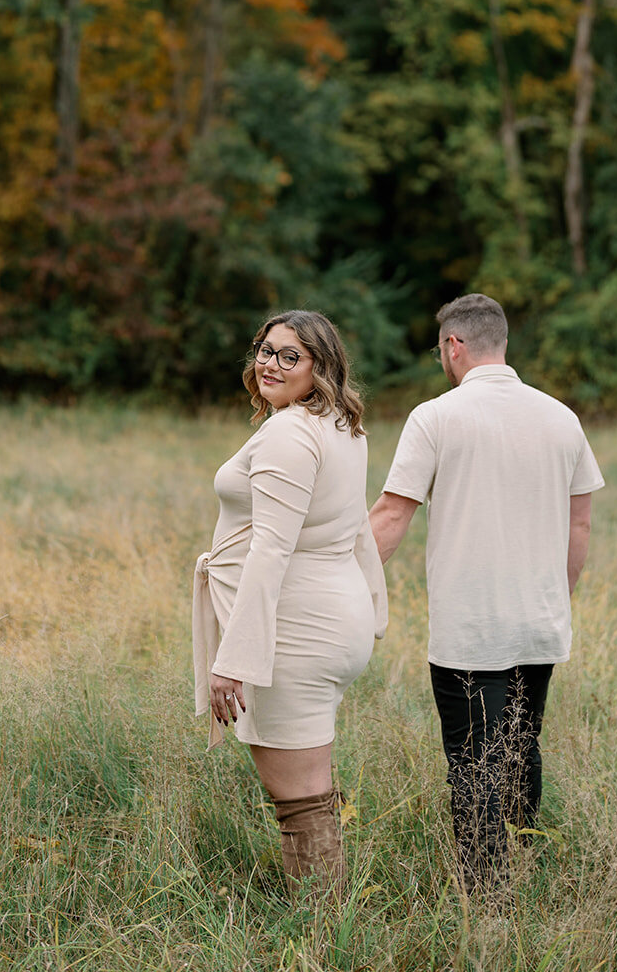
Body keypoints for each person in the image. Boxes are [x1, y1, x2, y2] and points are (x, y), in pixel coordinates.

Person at [369, 293, 604, 889]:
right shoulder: (561, 417)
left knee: (473, 762)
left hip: (471, 629)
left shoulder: (436, 416)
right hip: (540, 622)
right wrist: (557, 595)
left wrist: (335, 580)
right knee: (522, 748)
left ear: (453, 346)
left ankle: (486, 898)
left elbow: (392, 517)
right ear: (501, 342)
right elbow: (580, 524)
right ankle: (520, 869)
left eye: (439, 350)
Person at [192, 310, 387, 893]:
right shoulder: (340, 427)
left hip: (296, 630)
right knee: (309, 788)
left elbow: (270, 550)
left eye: (289, 356)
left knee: (299, 803)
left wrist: (234, 660)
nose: (269, 364)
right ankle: (325, 916)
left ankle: (320, 930)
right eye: (264, 350)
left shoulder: (289, 434)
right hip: (331, 617)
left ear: (320, 367)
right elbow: (357, 530)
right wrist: (373, 611)